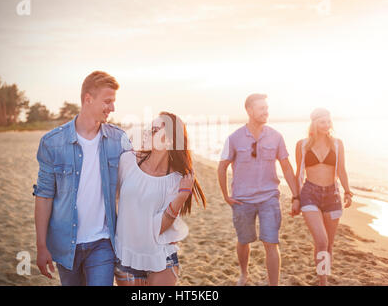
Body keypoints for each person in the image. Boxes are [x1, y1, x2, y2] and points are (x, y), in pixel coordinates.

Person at [33, 71, 132, 286]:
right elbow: (44, 196)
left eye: (113, 102)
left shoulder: (120, 140)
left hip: (103, 243)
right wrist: (41, 246)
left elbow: (134, 186)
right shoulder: (52, 143)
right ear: (88, 99)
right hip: (66, 245)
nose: (112, 108)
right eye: (107, 101)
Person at [114, 111, 207, 286]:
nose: (148, 132)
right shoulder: (127, 160)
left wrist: (182, 196)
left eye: (155, 130)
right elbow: (109, 198)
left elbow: (161, 227)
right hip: (126, 257)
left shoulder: (178, 179)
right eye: (149, 128)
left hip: (161, 258)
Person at [217, 93, 299, 286]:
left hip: (269, 198)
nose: (266, 112)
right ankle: (244, 273)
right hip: (242, 199)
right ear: (249, 110)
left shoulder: (276, 136)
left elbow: (287, 167)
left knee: (271, 242)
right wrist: (226, 196)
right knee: (244, 240)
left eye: (267, 108)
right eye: (262, 108)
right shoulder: (234, 138)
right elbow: (222, 167)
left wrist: (296, 196)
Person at [294, 108, 352, 286]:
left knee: (328, 245)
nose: (326, 125)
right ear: (314, 123)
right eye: (322, 122)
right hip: (310, 194)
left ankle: (322, 278)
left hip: (332, 196)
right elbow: (299, 173)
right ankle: (324, 283)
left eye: (328, 122)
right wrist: (295, 198)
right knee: (321, 240)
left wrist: (348, 191)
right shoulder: (302, 145)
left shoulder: (337, 144)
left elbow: (341, 170)